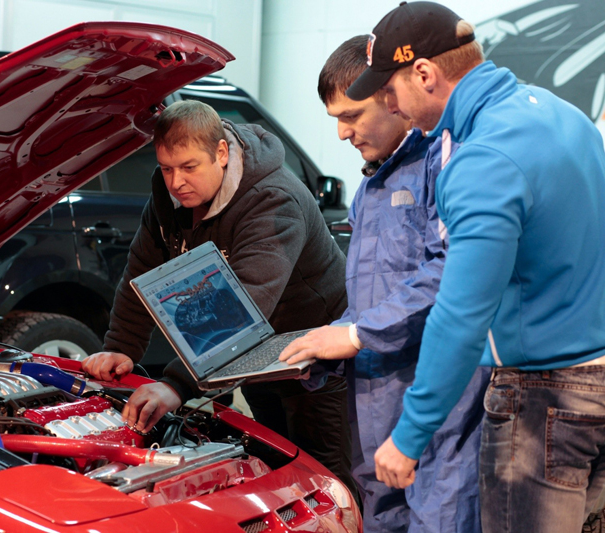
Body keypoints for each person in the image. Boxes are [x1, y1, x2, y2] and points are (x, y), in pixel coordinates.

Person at [342, 2, 605, 532]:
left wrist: (410, 434)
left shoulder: (483, 158)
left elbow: (461, 313)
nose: (389, 104)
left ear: (425, 73)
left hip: (543, 399)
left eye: (389, 88)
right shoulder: (560, 114)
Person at [80, 99, 358, 499]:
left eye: (189, 167)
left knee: (325, 484)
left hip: (316, 356)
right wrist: (121, 348)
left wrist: (176, 384)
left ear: (222, 153)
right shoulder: (168, 197)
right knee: (276, 474)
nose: (176, 182)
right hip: (254, 358)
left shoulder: (274, 201)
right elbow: (140, 271)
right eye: (166, 168)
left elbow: (241, 308)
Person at [280, 35, 487, 533]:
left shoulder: (447, 162)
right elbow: (376, 294)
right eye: (334, 118)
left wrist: (354, 335)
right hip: (373, 412)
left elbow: (452, 275)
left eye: (351, 115)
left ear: (392, 96)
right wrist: (328, 347)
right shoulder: (370, 187)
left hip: (438, 413)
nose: (341, 133)